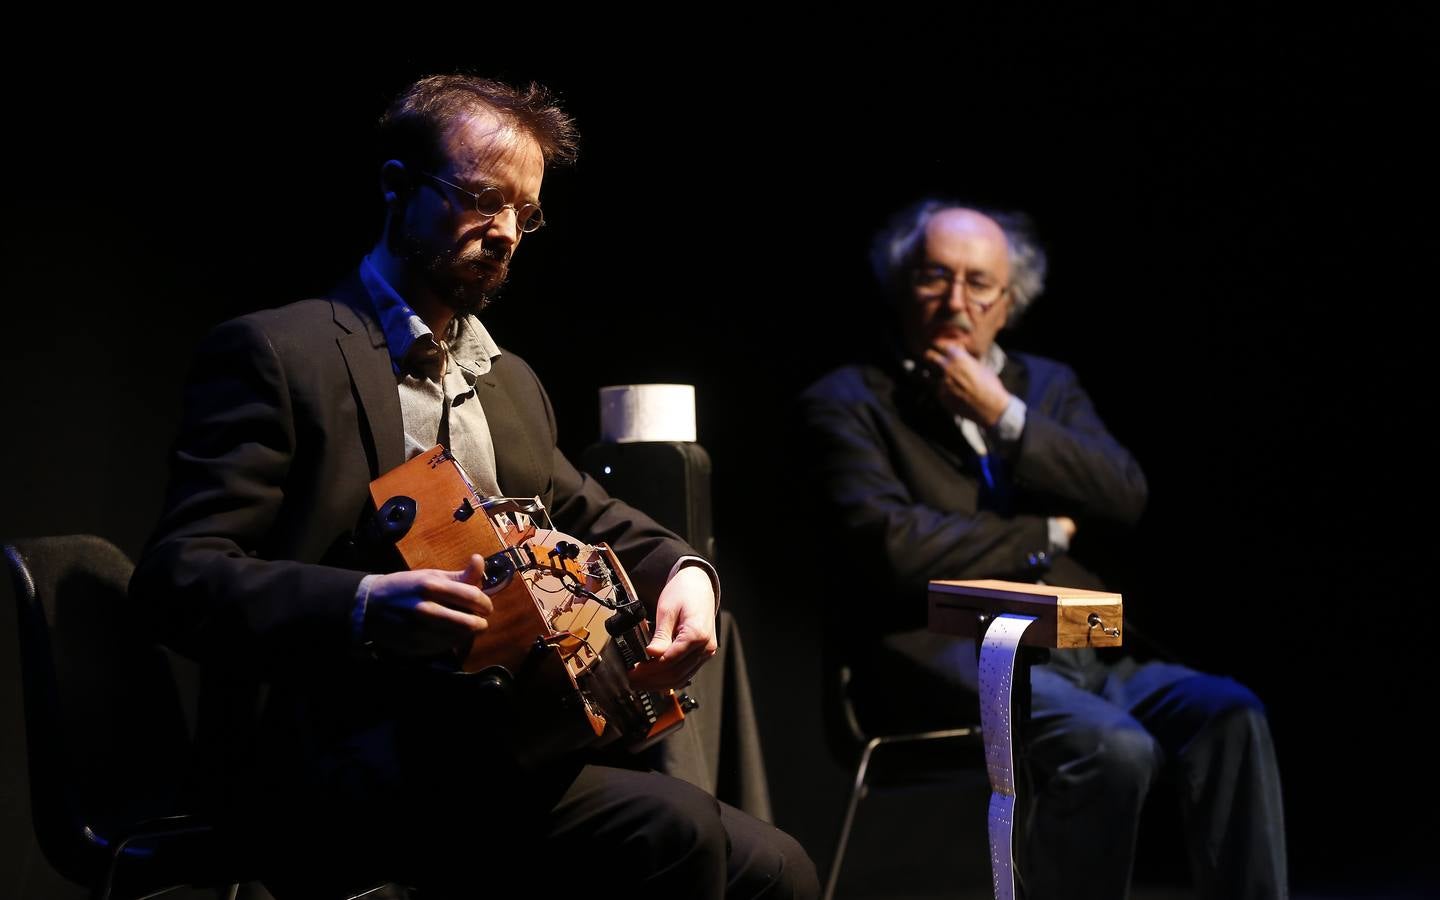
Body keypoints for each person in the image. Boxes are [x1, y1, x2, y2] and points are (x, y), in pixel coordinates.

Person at [130, 74, 818, 900]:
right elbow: (177, 580)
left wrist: (687, 575)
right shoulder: (280, 354)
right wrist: (364, 604)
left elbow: (587, 509)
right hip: (332, 755)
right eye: (482, 200)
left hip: (490, 748)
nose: (505, 233)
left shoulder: (507, 379)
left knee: (780, 870)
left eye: (524, 215)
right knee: (674, 834)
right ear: (396, 188)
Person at [796, 201, 1286, 899]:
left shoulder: (1046, 387)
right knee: (1113, 749)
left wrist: (1002, 413)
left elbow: (1124, 494)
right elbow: (896, 547)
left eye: (979, 283)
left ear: (1009, 300)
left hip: (1089, 654)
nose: (956, 301)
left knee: (1230, 711)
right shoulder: (849, 401)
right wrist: (1046, 534)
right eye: (936, 277)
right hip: (953, 663)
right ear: (903, 283)